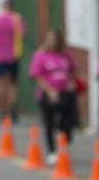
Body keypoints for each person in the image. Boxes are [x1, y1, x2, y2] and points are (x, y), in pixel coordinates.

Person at [29, 28, 78, 163]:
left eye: (54, 39)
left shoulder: (65, 55)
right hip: (47, 94)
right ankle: (51, 150)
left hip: (65, 93)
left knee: (67, 122)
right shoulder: (40, 55)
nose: (52, 42)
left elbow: (72, 71)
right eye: (49, 39)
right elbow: (37, 76)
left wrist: (71, 82)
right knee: (50, 122)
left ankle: (64, 145)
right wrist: (50, 90)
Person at [0, 0, 26, 122]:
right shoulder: (17, 19)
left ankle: (2, 110)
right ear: (12, 7)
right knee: (13, 85)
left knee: (0, 84)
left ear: (2, 7)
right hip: (14, 56)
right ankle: (12, 108)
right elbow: (23, 34)